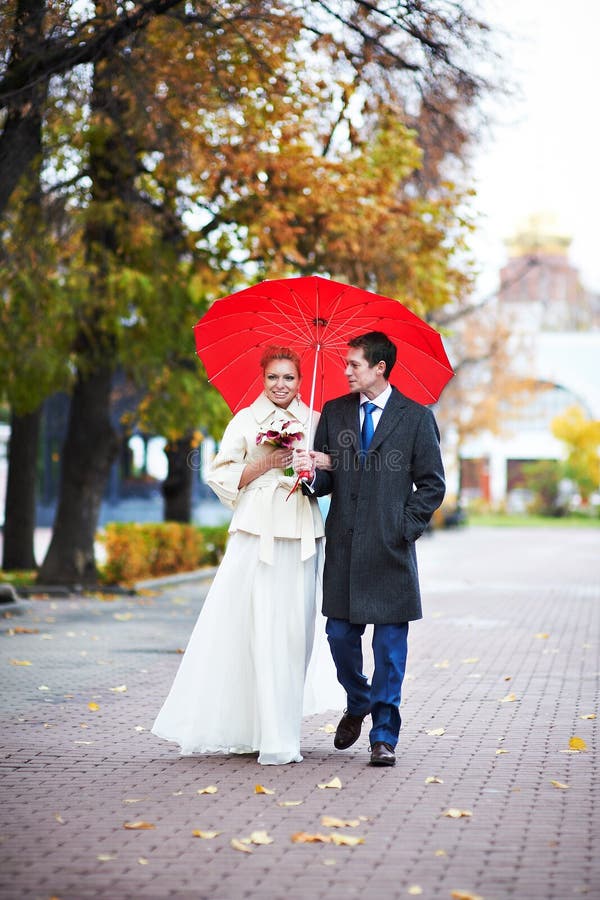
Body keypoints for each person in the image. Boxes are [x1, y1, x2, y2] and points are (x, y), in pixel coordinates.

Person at [151, 346, 342, 765]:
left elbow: (333, 473)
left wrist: (312, 464)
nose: (281, 385)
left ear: (299, 379)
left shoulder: (315, 421)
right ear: (263, 379)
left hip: (301, 532)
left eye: (289, 378)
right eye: (273, 377)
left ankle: (282, 727)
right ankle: (261, 731)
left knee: (295, 633)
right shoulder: (244, 420)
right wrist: (268, 462)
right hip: (257, 531)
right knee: (255, 628)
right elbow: (221, 475)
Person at [294, 331, 445, 767]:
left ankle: (383, 735)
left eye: (354, 364)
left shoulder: (416, 418)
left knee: (389, 652)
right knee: (339, 636)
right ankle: (358, 699)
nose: (345, 371)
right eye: (345, 363)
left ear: (380, 368)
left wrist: (404, 527)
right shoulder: (335, 413)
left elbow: (432, 484)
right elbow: (327, 479)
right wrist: (309, 474)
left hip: (392, 549)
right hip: (344, 544)